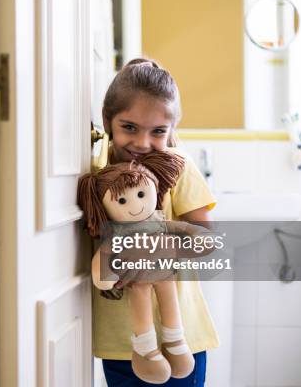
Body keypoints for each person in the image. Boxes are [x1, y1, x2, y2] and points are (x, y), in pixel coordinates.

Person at [93, 57, 219, 386]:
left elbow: (205, 240)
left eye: (158, 131)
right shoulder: (96, 169)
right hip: (121, 340)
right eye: (130, 127)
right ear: (108, 120)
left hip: (178, 341)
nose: (143, 142)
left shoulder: (178, 166)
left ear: (171, 130)